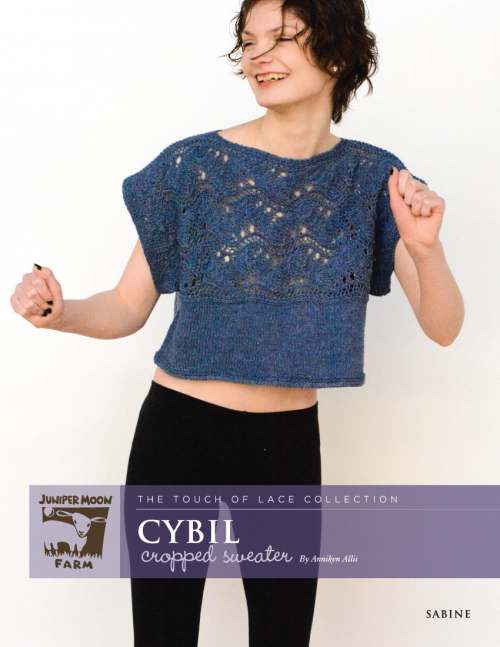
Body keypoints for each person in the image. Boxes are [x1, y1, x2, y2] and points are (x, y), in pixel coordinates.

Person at [11, 0, 464, 645]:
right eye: (249, 41)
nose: (258, 56)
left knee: (283, 634)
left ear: (338, 53)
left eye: (282, 38)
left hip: (286, 445)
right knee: (162, 635)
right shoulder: (192, 167)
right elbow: (125, 307)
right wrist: (57, 314)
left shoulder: (375, 179)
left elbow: (444, 327)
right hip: (178, 434)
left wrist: (425, 249)